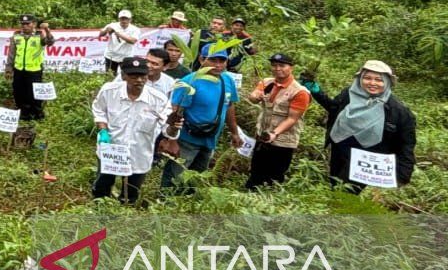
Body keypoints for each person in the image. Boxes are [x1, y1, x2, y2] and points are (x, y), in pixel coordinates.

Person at [302, 60, 416, 193]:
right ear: (360, 79)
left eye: (379, 80)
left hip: (367, 159)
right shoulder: (348, 94)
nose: (372, 83)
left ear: (387, 82)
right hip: (340, 149)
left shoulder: (399, 111)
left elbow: (406, 144)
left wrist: (403, 174)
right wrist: (316, 91)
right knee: (335, 184)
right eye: (367, 78)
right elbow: (334, 108)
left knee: (346, 192)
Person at [92, 57, 175, 204]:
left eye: (143, 76)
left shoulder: (158, 100)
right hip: (112, 149)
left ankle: (126, 208)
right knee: (103, 184)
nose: (139, 80)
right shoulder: (109, 91)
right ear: (123, 76)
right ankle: (100, 206)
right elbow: (99, 110)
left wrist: (173, 127)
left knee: (131, 191)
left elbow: (167, 129)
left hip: (139, 152)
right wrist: (103, 130)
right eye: (133, 76)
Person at [161, 47, 242, 194]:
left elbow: (229, 106)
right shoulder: (189, 82)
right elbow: (176, 112)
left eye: (222, 61)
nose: (218, 65)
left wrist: (234, 132)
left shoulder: (227, 80)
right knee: (175, 178)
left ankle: (187, 202)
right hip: (186, 139)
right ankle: (166, 202)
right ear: (201, 59)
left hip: (210, 139)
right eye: (213, 60)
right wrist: (172, 141)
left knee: (196, 179)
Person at [243, 53, 310, 190]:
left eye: (282, 65)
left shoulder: (300, 92)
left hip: (283, 141)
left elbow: (292, 118)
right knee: (256, 173)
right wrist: (255, 96)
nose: (277, 68)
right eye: (274, 65)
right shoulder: (266, 82)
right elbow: (253, 97)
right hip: (262, 136)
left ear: (291, 67)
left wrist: (274, 133)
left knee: (274, 177)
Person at [7, 14, 47, 120]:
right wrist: (9, 69)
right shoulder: (16, 36)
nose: (24, 26)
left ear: (34, 24)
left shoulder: (39, 35)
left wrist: (46, 30)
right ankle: (24, 114)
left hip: (34, 70)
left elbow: (49, 41)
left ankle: (37, 114)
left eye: (27, 24)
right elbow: (11, 54)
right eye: (22, 24)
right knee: (18, 92)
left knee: (34, 93)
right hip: (19, 70)